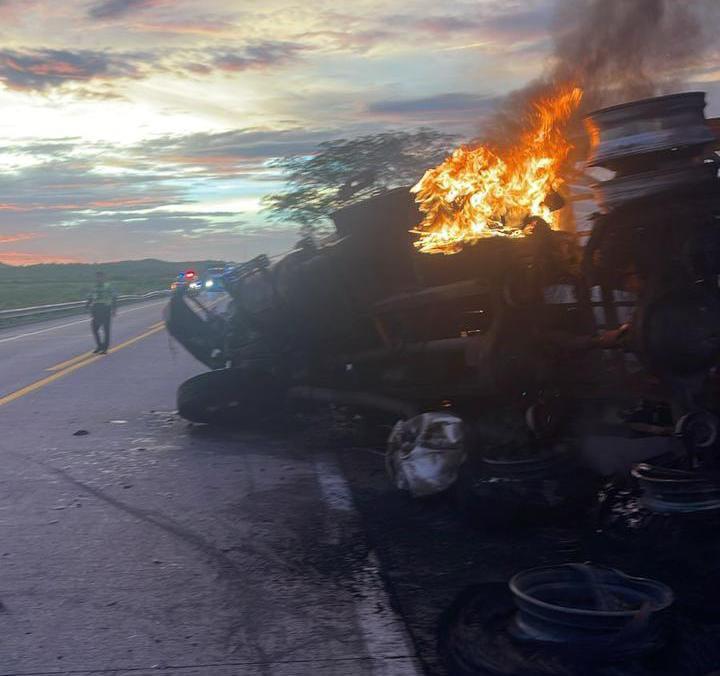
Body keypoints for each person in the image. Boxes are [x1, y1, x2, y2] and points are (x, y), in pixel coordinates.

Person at [87, 271, 117, 354]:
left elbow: (114, 297)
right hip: (96, 309)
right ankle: (99, 346)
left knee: (106, 329)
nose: (98, 278)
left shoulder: (108, 286)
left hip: (105, 308)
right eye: (97, 277)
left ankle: (105, 348)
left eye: (100, 277)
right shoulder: (94, 287)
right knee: (94, 328)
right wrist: (87, 306)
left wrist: (114, 309)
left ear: (104, 278)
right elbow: (90, 297)